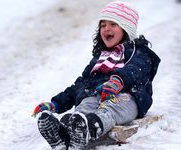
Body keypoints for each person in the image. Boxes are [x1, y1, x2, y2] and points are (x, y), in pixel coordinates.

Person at [32, 1, 161, 149]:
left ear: (126, 28)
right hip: (96, 96)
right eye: (103, 25)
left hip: (126, 96)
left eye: (113, 24)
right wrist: (56, 104)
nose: (106, 29)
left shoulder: (138, 52)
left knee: (110, 109)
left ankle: (87, 131)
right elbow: (81, 84)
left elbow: (135, 69)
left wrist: (117, 81)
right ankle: (63, 136)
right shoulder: (100, 58)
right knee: (83, 108)